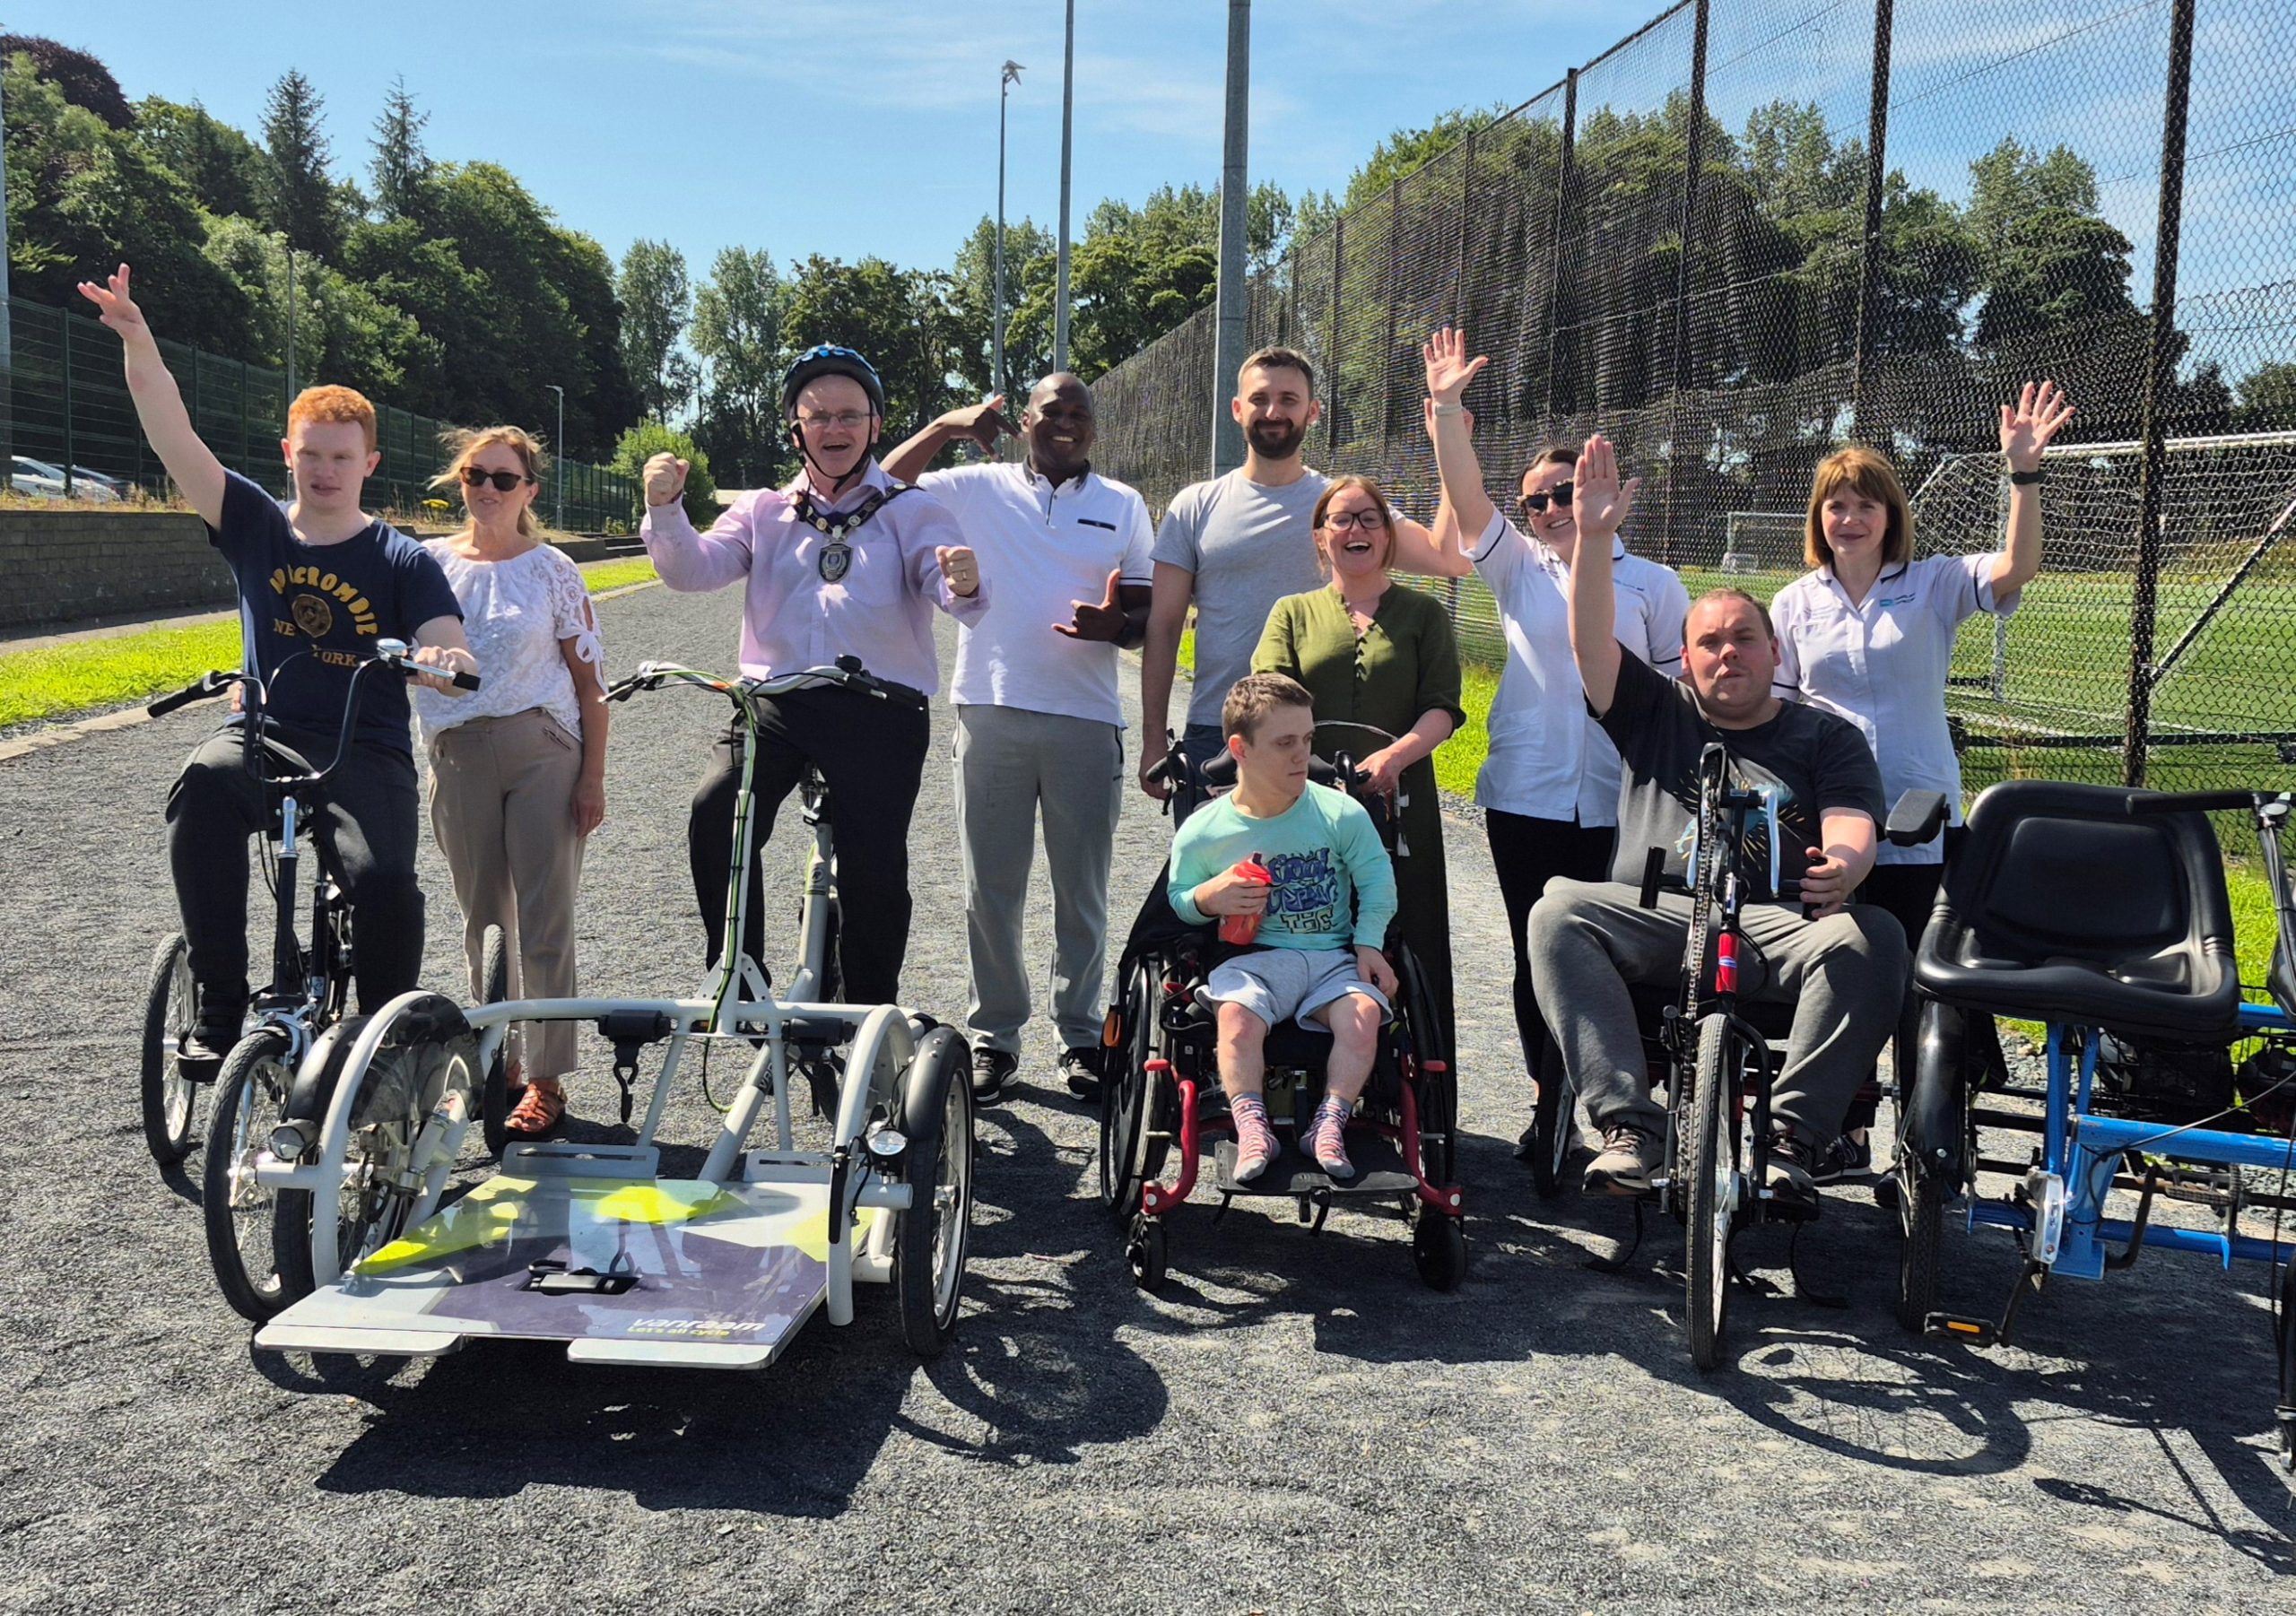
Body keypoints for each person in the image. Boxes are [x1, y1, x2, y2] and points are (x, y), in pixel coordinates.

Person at [78, 264, 476, 1060]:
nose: (325, 471)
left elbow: (450, 643)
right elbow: (172, 433)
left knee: (385, 886)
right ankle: (222, 1002)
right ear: (288, 454)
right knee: (201, 788)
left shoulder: (402, 559)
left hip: (365, 749)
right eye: (311, 455)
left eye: (342, 457)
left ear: (369, 464)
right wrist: (137, 340)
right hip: (266, 731)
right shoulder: (253, 523)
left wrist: (439, 659)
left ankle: (381, 1049)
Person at [1527, 433, 1906, 1212]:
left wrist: (1845, 864)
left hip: (1780, 924)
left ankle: (1792, 1143)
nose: (1727, 654)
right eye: (1709, 643)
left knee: (1874, 936)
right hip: (1660, 916)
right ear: (1685, 658)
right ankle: (1630, 1128)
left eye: (1743, 640)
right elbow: (1589, 640)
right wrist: (1592, 538)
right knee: (1557, 909)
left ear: (1775, 652)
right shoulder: (1653, 711)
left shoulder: (1825, 735)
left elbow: (1851, 820)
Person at [1770, 380, 2074, 1179]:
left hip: (1920, 821)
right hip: (1832, 822)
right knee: (1841, 973)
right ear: (1819, 518)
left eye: (1866, 505)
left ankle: (1928, 1141)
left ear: (1890, 515)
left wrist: (2023, 474)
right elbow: (1781, 708)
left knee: (1921, 984)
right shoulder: (1794, 603)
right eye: (1836, 506)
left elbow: (2018, 565)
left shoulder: (1934, 582)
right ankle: (1840, 1130)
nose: (1850, 518)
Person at [641, 345, 985, 1007]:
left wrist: (960, 582)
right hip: (777, 703)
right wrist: (666, 509)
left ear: (875, 425)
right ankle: (738, 976)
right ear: (795, 430)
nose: (834, 428)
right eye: (818, 416)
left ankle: (867, 1015)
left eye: (849, 415)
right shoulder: (763, 510)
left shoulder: (911, 510)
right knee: (717, 809)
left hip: (880, 707)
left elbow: (945, 586)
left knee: (874, 868)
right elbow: (693, 570)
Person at [1417, 327, 1688, 1146]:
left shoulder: (1655, 584)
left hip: (1623, 804)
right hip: (1526, 795)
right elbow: (1467, 496)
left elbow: (1674, 698)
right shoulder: (1517, 568)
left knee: (1624, 958)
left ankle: (1625, 1111)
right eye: (1535, 501)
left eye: (1565, 492)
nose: (1550, 509)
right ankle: (1549, 1107)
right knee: (1535, 952)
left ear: (1595, 491)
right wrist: (1447, 407)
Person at [880, 375, 1154, 1104]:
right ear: (1024, 421)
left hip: (1086, 717)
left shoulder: (1122, 504)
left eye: (1079, 414)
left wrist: (1115, 629)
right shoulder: (975, 487)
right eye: (1051, 411)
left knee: (1082, 892)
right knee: (991, 890)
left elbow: (1143, 613)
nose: (1066, 423)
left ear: (1093, 426)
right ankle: (995, 1038)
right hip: (991, 710)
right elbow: (883, 484)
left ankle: (1081, 1035)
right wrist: (945, 426)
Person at [1136, 346, 1456, 820]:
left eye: (1289, 399)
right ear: (1237, 408)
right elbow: (1164, 627)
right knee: (1216, 868)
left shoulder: (1339, 510)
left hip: (1310, 740)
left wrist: (1448, 429)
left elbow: (1447, 557)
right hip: (1217, 731)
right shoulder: (1195, 505)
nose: (1273, 411)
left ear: (1313, 411)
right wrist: (1152, 740)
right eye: (1260, 398)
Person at [413, 426, 608, 1138]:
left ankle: (547, 1080)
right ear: (459, 481)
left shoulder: (553, 570)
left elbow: (591, 685)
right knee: (483, 919)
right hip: (458, 753)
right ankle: (498, 1062)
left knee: (544, 917)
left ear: (529, 490)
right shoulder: (428, 565)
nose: (488, 489)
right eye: (476, 475)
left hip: (542, 749)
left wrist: (592, 778)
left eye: (504, 478)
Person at [1250, 474, 1464, 1056]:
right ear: (1320, 537)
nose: (1356, 529)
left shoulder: (1423, 614)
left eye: (1370, 518)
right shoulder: (1292, 613)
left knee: (1408, 933)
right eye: (1341, 519)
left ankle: (1417, 1069)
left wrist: (1394, 757)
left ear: (1388, 535)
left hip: (1401, 802)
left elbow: (1443, 709)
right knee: (1303, 926)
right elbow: (1268, 697)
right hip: (1304, 803)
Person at [1168, 673, 1399, 1183]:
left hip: (1332, 958)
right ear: (1240, 749)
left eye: (1308, 740)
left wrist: (1369, 944)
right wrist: (1209, 897)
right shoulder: (1205, 829)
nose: (1302, 756)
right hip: (1253, 961)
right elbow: (1179, 900)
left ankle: (1329, 1123)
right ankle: (1253, 1127)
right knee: (1235, 1017)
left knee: (1363, 1016)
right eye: (1285, 743)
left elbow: (1378, 883)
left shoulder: (1340, 813)